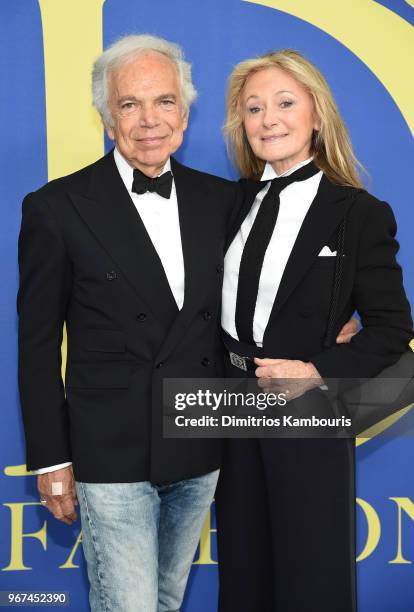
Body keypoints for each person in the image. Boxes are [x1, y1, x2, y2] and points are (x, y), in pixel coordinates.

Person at [17, 34, 239, 612]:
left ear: (185, 115)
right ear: (106, 117)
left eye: (164, 102)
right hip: (110, 450)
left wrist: (332, 332)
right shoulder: (57, 208)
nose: (148, 121)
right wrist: (51, 458)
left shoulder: (223, 201)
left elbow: (259, 300)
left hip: (199, 438)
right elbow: (37, 344)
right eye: (129, 104)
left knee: (166, 599)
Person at [216, 50, 413, 612]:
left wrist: (319, 370)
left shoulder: (358, 213)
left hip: (305, 411)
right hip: (228, 410)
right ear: (241, 123)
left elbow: (393, 329)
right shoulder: (226, 204)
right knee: (243, 578)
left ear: (317, 115)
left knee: (312, 581)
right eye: (253, 108)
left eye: (284, 102)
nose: (268, 118)